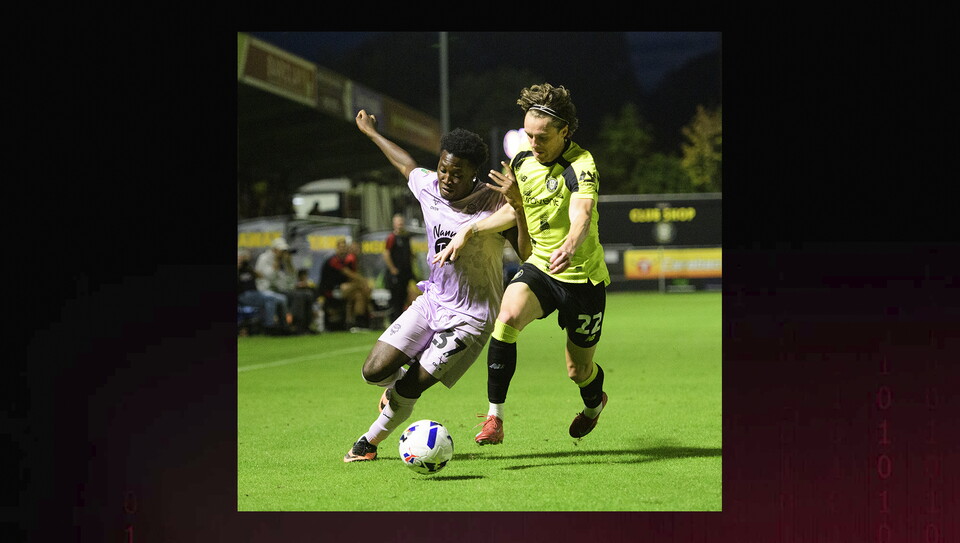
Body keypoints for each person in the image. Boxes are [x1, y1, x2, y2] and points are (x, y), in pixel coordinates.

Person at [343, 109, 527, 462]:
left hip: (470, 319)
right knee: (373, 371)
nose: (447, 177)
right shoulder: (430, 186)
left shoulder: (494, 202)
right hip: (432, 301)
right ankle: (396, 390)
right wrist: (371, 134)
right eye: (444, 168)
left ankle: (368, 442)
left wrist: (518, 208)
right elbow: (406, 165)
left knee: (413, 385)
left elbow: (525, 251)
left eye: (458, 173)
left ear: (475, 175)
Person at [434, 83, 611, 444]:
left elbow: (582, 212)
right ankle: (494, 418)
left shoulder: (581, 164)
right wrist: (472, 229)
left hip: (582, 279)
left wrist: (572, 242)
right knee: (507, 317)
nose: (534, 143)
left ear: (565, 132)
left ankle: (594, 406)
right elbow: (518, 214)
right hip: (542, 267)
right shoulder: (522, 161)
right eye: (529, 135)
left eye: (542, 137)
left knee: (579, 371)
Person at [319, 238, 373, 329]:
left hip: (344, 289)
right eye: (341, 247)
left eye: (344, 247)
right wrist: (364, 283)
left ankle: (357, 323)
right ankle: (368, 312)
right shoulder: (333, 260)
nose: (343, 249)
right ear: (337, 248)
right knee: (355, 287)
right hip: (330, 291)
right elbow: (348, 273)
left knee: (359, 295)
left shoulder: (348, 261)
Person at [252, 238, 295, 335]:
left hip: (278, 289)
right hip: (264, 289)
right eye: (281, 250)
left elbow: (290, 280)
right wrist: (275, 265)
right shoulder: (264, 258)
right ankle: (282, 327)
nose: (282, 253)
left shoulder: (282, 261)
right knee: (281, 299)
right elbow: (269, 277)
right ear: (274, 250)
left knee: (299, 295)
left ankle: (296, 325)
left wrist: (289, 264)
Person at [382, 213, 414, 323]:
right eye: (398, 223)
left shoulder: (406, 237)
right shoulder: (391, 238)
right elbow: (386, 253)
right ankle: (393, 321)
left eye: (401, 222)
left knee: (404, 295)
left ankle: (402, 320)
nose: (400, 225)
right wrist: (392, 269)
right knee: (396, 298)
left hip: (405, 273)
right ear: (394, 224)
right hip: (396, 274)